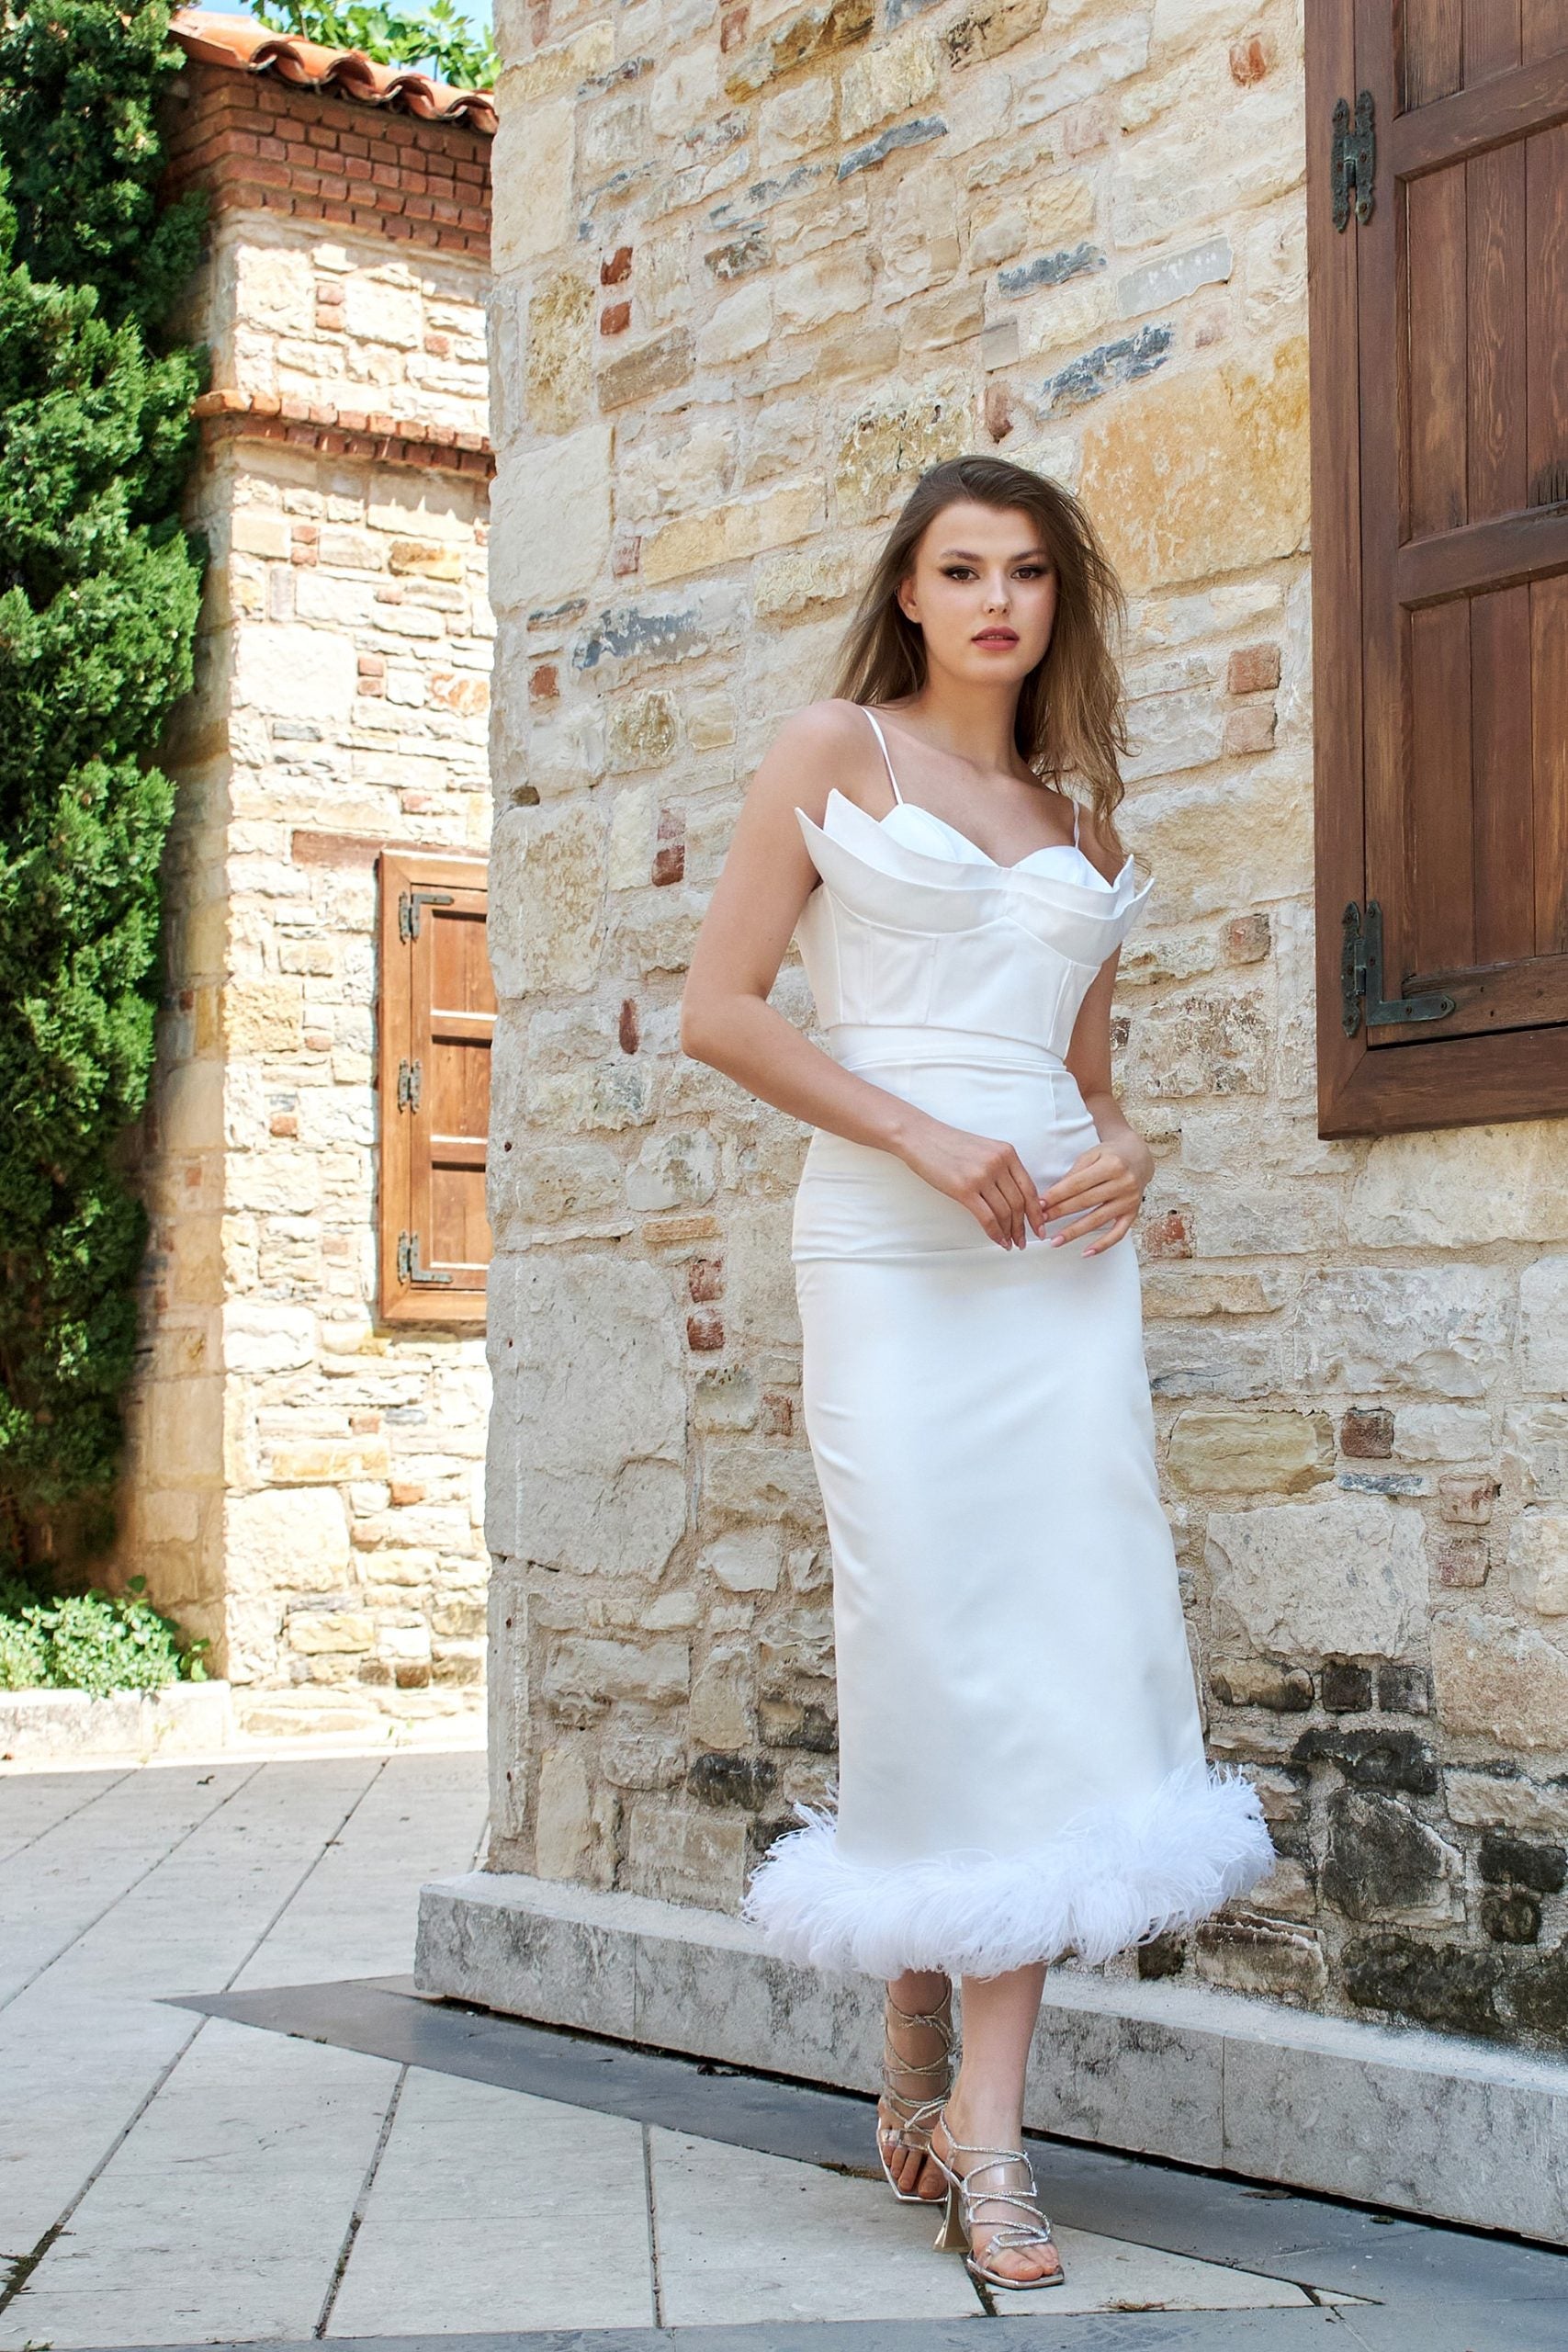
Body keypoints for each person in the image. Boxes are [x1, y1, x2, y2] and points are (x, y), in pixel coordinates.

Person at [678, 455, 1273, 2292]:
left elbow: (1087, 1084)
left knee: (1050, 1641)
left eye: (1025, 570)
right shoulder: (832, 750)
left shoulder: (1082, 826)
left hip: (1056, 1268)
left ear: (1052, 602)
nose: (995, 599)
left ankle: (989, 2129)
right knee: (930, 1629)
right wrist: (922, 1136)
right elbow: (720, 1010)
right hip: (889, 1241)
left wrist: (1131, 1151)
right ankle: (911, 1998)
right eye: (961, 568)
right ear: (910, 592)